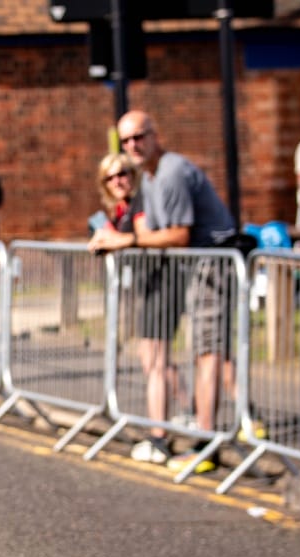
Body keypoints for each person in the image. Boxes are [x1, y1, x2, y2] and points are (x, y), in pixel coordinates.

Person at [117, 110, 238, 473]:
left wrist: (127, 240)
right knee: (203, 351)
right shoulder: (150, 177)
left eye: (139, 136)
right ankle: (203, 434)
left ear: (156, 135)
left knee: (208, 353)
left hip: (212, 266)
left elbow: (179, 236)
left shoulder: (170, 172)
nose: (133, 146)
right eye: (126, 140)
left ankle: (207, 443)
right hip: (194, 269)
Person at [87, 152, 184, 464]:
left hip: (161, 282)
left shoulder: (141, 201)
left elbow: (142, 237)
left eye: (123, 173)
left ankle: (160, 438)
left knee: (154, 361)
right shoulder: (122, 207)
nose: (118, 180)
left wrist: (116, 240)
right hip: (145, 286)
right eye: (110, 177)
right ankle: (188, 412)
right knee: (155, 360)